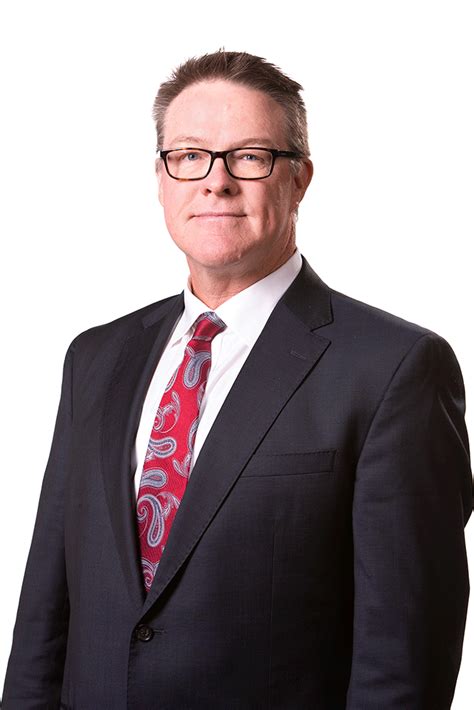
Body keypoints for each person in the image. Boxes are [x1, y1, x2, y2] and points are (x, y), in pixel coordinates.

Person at [2, 49, 472, 710]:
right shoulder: (95, 358)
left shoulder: (395, 368)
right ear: (161, 177)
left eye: (249, 157)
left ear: (300, 178)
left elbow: (404, 662)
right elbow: (44, 616)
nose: (215, 182)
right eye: (189, 155)